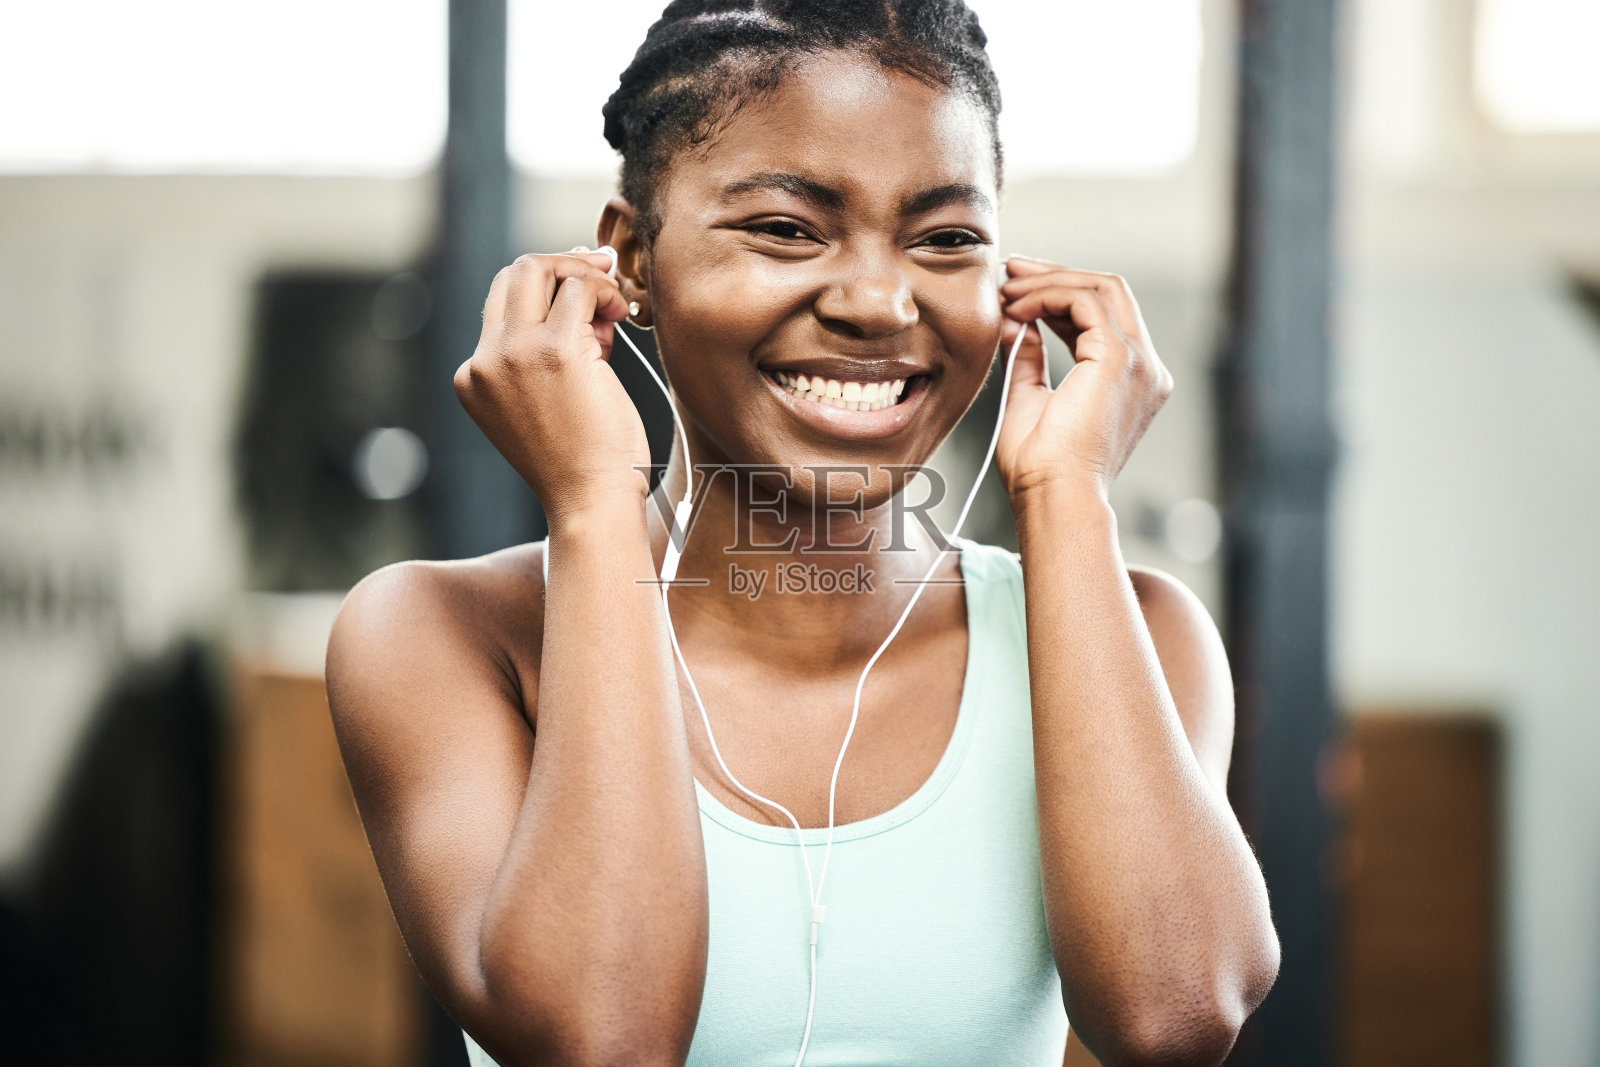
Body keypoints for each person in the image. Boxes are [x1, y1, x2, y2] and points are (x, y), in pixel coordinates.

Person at [325, 2, 1280, 1064]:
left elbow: (1172, 1018)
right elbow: (600, 1039)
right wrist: (593, 502)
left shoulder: (1137, 632)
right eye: (786, 228)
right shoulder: (444, 636)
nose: (878, 302)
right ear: (632, 258)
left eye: (946, 238)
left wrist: (1065, 495)